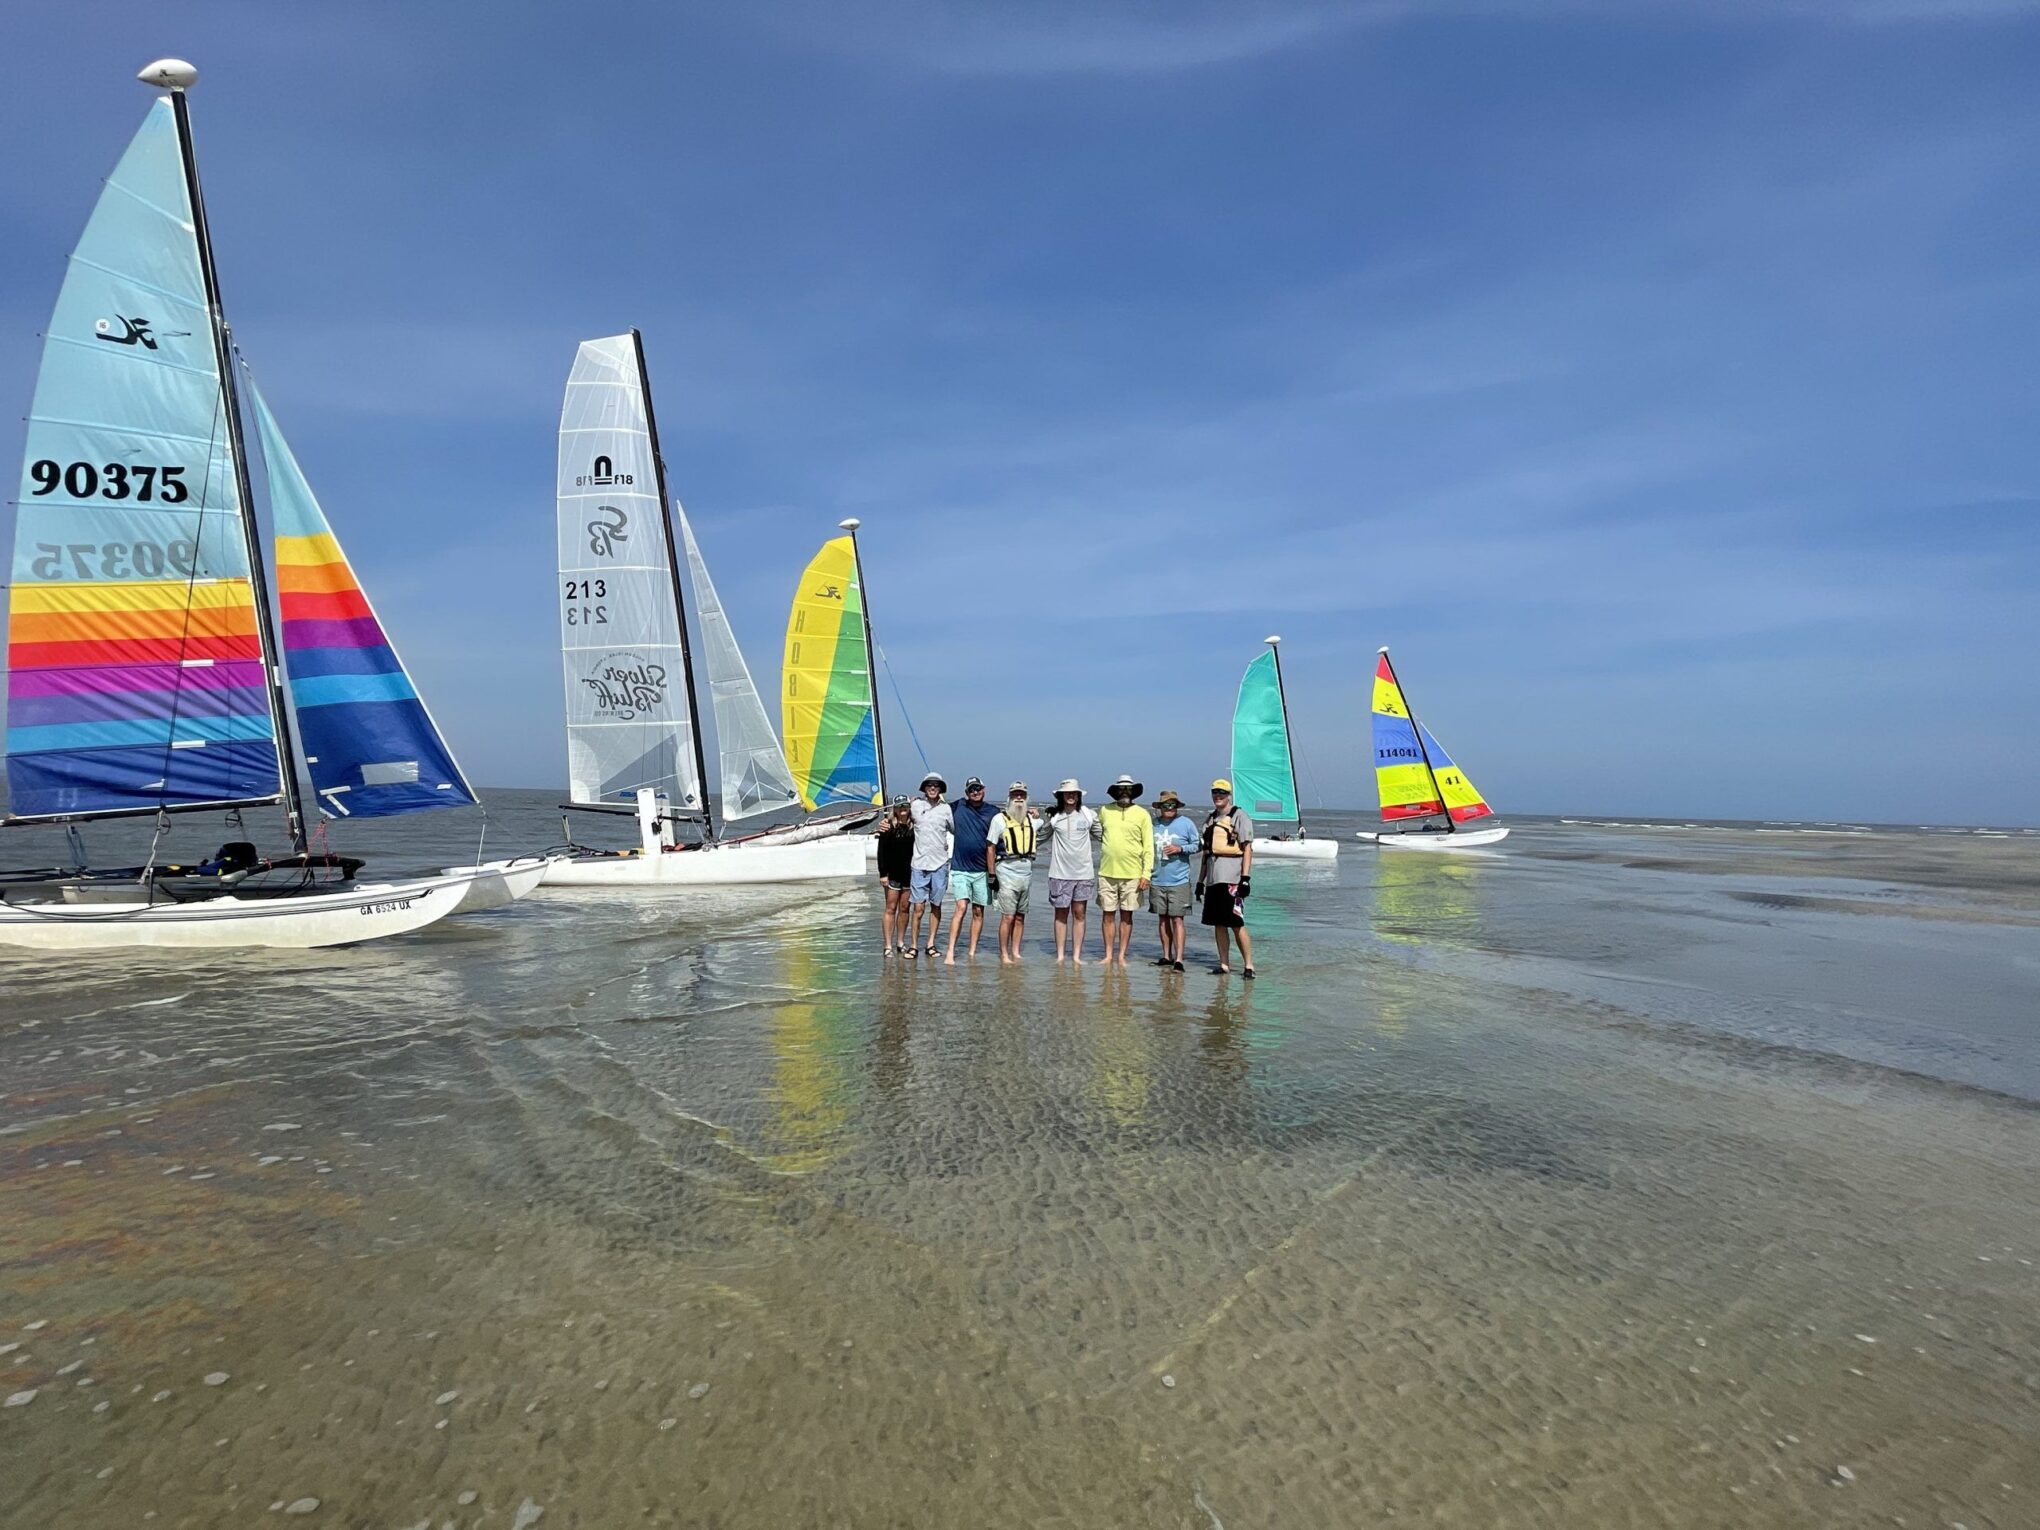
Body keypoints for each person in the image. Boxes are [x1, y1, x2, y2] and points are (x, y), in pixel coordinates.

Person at [1196, 777, 1256, 978]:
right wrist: (1200, 882)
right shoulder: (1210, 819)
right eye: (1215, 793)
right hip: (1214, 879)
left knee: (1236, 923)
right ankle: (1224, 964)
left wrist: (1245, 878)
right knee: (1218, 924)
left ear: (1229, 795)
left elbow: (1247, 848)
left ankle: (1249, 965)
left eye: (1222, 793)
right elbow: (1206, 853)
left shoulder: (1239, 816)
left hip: (1232, 879)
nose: (1218, 796)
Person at [1095, 773, 1154, 968]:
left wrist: (1146, 874)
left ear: (1133, 792)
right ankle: (1108, 955)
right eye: (1121, 790)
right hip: (1107, 872)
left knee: (1127, 915)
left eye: (1128, 790)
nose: (1125, 793)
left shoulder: (1142, 814)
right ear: (1116, 792)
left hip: (1133, 874)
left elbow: (1148, 847)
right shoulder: (1104, 810)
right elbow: (1087, 825)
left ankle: (1121, 956)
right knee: (1108, 914)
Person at [1042, 779, 1101, 964]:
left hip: (1083, 874)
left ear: (1079, 795)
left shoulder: (1088, 815)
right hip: (1059, 874)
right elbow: (1038, 838)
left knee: (1079, 914)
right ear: (1061, 796)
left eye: (1074, 793)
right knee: (1060, 914)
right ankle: (1060, 955)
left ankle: (1076, 956)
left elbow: (1105, 836)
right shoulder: (1055, 817)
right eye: (1067, 793)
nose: (1071, 796)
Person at [945, 777, 1001, 964]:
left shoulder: (993, 812)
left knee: (978, 911)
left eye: (977, 788)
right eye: (971, 790)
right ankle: (951, 952)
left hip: (982, 870)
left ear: (984, 789)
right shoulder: (958, 806)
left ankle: (971, 951)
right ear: (966, 793)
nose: (974, 792)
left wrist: (1031, 817)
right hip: (960, 868)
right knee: (961, 908)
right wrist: (917, 803)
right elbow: (937, 807)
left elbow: (1009, 825)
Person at [988, 782, 1040, 964]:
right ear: (1009, 797)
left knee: (1020, 916)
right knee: (1008, 916)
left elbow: (1050, 822)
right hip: (1006, 872)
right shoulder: (999, 820)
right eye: (1015, 794)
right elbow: (990, 848)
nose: (1019, 797)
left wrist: (1041, 813)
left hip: (1026, 874)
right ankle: (1004, 953)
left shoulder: (1032, 820)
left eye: (1022, 795)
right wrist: (992, 875)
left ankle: (1016, 951)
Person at [1148, 789, 1200, 971]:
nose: (1169, 808)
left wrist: (1180, 849)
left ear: (1177, 806)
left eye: (1172, 805)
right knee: (1162, 919)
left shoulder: (1186, 823)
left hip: (1179, 880)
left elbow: (1197, 845)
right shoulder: (1152, 824)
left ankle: (1179, 959)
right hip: (1157, 879)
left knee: (1178, 919)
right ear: (1160, 807)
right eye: (1165, 805)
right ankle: (1166, 956)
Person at [906, 770, 952, 959]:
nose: (933, 788)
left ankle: (931, 944)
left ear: (940, 789)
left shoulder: (946, 809)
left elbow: (957, 830)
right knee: (918, 908)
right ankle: (914, 945)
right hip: (919, 864)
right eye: (929, 785)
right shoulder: (915, 806)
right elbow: (899, 818)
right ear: (924, 788)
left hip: (940, 864)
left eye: (936, 785)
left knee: (936, 905)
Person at [874, 796, 915, 955]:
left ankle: (900, 942)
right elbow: (881, 852)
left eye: (905, 805)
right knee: (890, 908)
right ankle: (888, 946)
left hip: (910, 874)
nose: (902, 808)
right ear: (895, 809)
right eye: (899, 806)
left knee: (905, 909)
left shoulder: (914, 827)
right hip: (892, 875)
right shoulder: (888, 827)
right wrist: (883, 874)